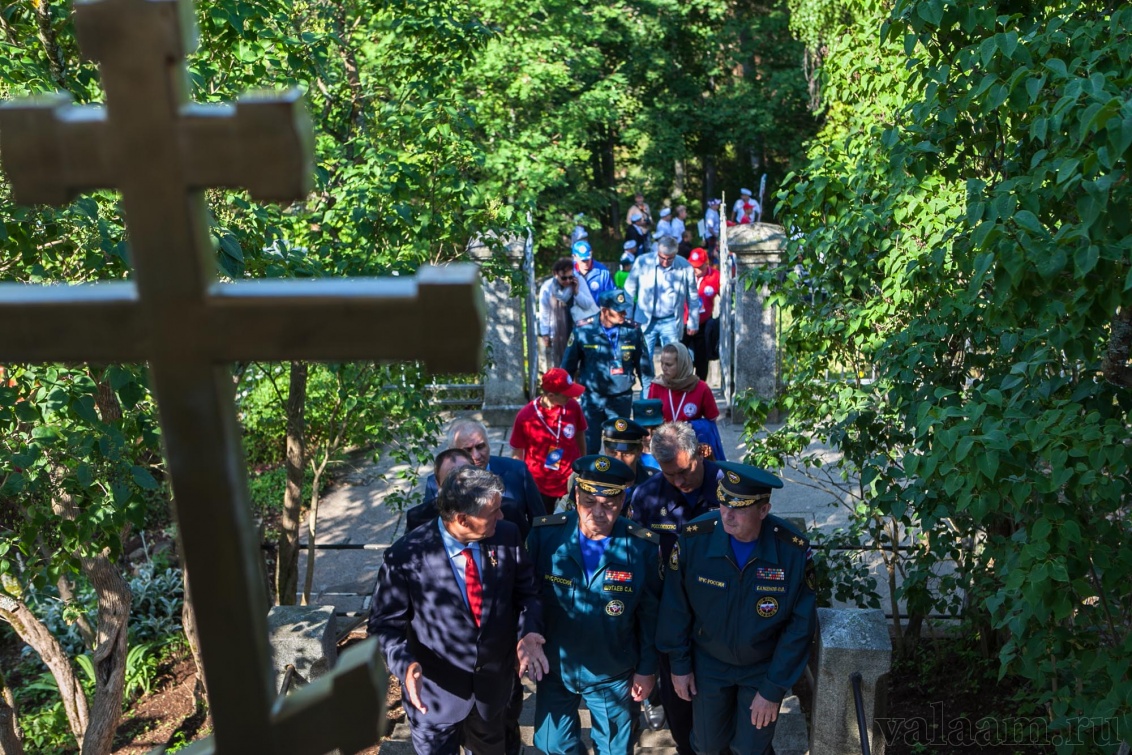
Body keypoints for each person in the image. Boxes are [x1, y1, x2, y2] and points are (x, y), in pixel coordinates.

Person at [368, 467, 550, 755]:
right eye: (493, 511)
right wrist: (405, 664)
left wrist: (528, 632)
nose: (501, 516)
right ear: (463, 519)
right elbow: (383, 625)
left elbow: (528, 593)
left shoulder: (506, 535)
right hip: (435, 698)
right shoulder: (405, 556)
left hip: (492, 694)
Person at [657, 462, 817, 755]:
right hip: (709, 663)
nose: (727, 514)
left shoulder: (791, 550)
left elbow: (800, 624)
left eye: (739, 508)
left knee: (751, 747)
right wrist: (679, 665)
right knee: (707, 745)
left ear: (763, 510)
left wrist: (773, 688)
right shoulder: (695, 538)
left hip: (762, 667)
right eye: (723, 502)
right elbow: (674, 606)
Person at [526, 455, 662, 755]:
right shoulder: (545, 536)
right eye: (589, 502)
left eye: (609, 504)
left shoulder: (641, 546)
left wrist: (647, 669)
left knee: (614, 749)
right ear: (576, 496)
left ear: (623, 501)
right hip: (556, 666)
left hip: (612, 670)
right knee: (551, 743)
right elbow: (526, 596)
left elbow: (651, 615)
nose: (598, 512)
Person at [626, 421, 725, 755]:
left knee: (724, 721)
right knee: (681, 716)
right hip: (671, 621)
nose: (680, 482)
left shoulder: (730, 487)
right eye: (670, 475)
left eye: (685, 471)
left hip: (721, 620)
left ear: (700, 453)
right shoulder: (647, 497)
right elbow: (639, 563)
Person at [416, 419, 546, 539]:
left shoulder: (518, 471)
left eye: (480, 446)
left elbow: (539, 519)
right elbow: (432, 527)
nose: (476, 456)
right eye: (468, 450)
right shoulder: (436, 482)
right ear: (454, 452)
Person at [561, 289, 652, 455]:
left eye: (625, 309)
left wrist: (647, 409)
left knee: (620, 447)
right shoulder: (583, 330)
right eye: (619, 310)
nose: (624, 313)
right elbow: (567, 368)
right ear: (604, 310)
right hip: (592, 399)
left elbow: (645, 372)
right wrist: (563, 402)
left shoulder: (633, 331)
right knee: (589, 446)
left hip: (621, 399)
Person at [623, 237, 701, 396]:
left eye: (670, 259)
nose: (665, 262)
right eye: (662, 257)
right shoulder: (642, 262)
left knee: (673, 364)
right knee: (644, 365)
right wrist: (628, 318)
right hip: (645, 320)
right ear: (657, 251)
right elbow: (629, 289)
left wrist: (693, 321)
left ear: (675, 254)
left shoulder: (685, 266)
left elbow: (692, 296)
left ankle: (671, 399)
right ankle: (647, 401)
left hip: (671, 320)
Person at [510, 368, 588, 512]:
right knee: (542, 519)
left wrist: (583, 463)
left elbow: (580, 435)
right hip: (540, 483)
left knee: (572, 519)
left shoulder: (573, 407)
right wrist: (519, 482)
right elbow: (517, 452)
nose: (571, 397)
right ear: (551, 395)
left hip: (570, 478)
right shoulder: (526, 417)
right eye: (566, 395)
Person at [648, 342, 725, 460]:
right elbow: (649, 419)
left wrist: (692, 426)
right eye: (662, 363)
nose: (664, 368)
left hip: (691, 450)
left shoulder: (701, 388)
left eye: (669, 364)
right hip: (663, 448)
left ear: (681, 364)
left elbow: (711, 423)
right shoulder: (657, 386)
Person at [539, 258, 599, 369]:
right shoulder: (547, 287)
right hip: (558, 332)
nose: (567, 281)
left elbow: (588, 304)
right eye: (564, 278)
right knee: (561, 364)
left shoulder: (578, 281)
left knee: (582, 363)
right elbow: (545, 311)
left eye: (570, 277)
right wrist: (545, 333)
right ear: (555, 274)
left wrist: (576, 292)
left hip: (579, 328)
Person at [403, 447, 474, 533]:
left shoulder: (489, 508)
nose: (460, 485)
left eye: (466, 477)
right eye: (451, 480)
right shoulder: (418, 518)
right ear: (438, 484)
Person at [683, 248, 721, 381]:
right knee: (680, 356)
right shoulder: (683, 274)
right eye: (692, 266)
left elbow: (726, 297)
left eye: (698, 267)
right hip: (684, 322)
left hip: (703, 323)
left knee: (702, 358)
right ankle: (681, 385)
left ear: (706, 264)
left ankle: (700, 386)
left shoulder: (715, 276)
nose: (695, 269)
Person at [600, 417, 657, 500]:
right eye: (613, 453)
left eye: (626, 454)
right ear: (605, 450)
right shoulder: (592, 480)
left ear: (639, 451)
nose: (619, 460)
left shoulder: (654, 482)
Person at [632, 398, 664, 470]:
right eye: (643, 429)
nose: (649, 437)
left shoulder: (672, 454)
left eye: (655, 429)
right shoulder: (629, 457)